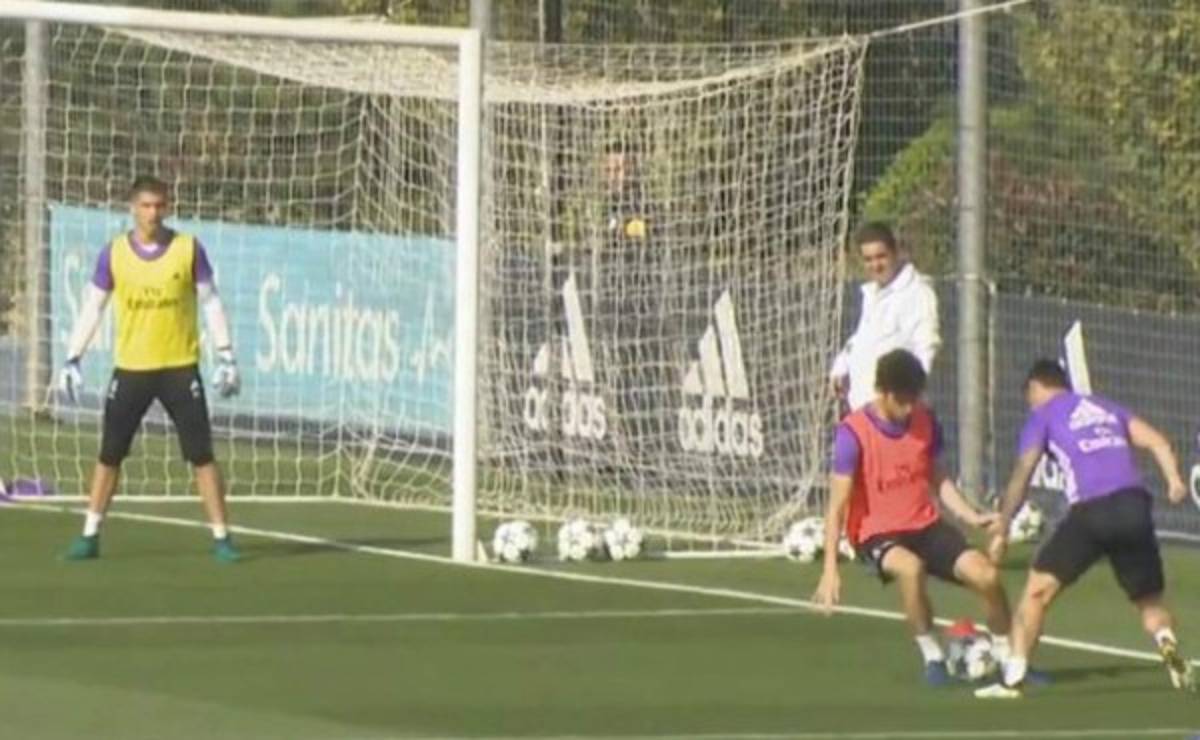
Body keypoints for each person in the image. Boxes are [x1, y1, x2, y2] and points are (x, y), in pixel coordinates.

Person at [976, 359, 1196, 697]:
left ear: (1036, 388)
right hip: (1134, 507)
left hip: (1091, 512)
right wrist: (1174, 481)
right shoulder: (1105, 407)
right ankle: (1166, 642)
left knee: (1036, 592)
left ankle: (1013, 678)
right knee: (1149, 600)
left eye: (1029, 397)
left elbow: (1023, 472)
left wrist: (1003, 524)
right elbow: (1158, 441)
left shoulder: (1043, 415)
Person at [58, 175, 242, 563]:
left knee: (201, 454)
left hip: (179, 368)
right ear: (132, 208)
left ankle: (222, 538)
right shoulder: (114, 253)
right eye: (145, 206)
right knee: (110, 453)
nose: (152, 213)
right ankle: (89, 535)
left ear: (168, 207)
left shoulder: (188, 249)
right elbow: (93, 306)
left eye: (159, 205)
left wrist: (226, 354)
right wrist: (73, 357)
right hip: (132, 369)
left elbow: (210, 302)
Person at [813, 349, 1013, 685]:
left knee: (987, 576)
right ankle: (933, 656)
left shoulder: (925, 421)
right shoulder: (853, 433)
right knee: (911, 568)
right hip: (875, 533)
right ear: (884, 392)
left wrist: (970, 515)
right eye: (903, 400)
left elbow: (938, 478)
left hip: (924, 525)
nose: (909, 408)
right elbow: (836, 507)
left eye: (914, 398)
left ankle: (1010, 658)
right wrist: (830, 569)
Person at [830, 222, 940, 412]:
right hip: (863, 410)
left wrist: (903, 400)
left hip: (897, 414)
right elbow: (863, 339)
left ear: (895, 252)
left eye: (881, 256)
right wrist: (841, 366)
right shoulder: (872, 294)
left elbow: (926, 349)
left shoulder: (918, 293)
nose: (876, 265)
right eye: (868, 259)